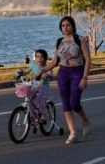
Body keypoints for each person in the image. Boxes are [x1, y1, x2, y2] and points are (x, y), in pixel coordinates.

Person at [38, 16, 92, 144]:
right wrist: (42, 70)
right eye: (63, 25)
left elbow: (88, 60)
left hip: (77, 72)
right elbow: (55, 62)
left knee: (74, 103)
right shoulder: (59, 41)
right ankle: (72, 133)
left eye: (68, 25)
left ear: (72, 26)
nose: (65, 27)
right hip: (63, 73)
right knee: (66, 104)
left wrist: (85, 77)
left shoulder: (80, 40)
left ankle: (85, 120)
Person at [18, 49, 52, 122]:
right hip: (34, 87)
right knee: (29, 100)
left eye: (42, 57)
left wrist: (46, 75)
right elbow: (27, 71)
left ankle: (43, 115)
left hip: (44, 87)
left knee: (41, 99)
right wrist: (21, 73)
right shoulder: (33, 65)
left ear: (45, 58)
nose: (39, 59)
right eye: (37, 57)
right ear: (35, 58)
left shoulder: (47, 66)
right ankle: (34, 117)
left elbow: (50, 73)